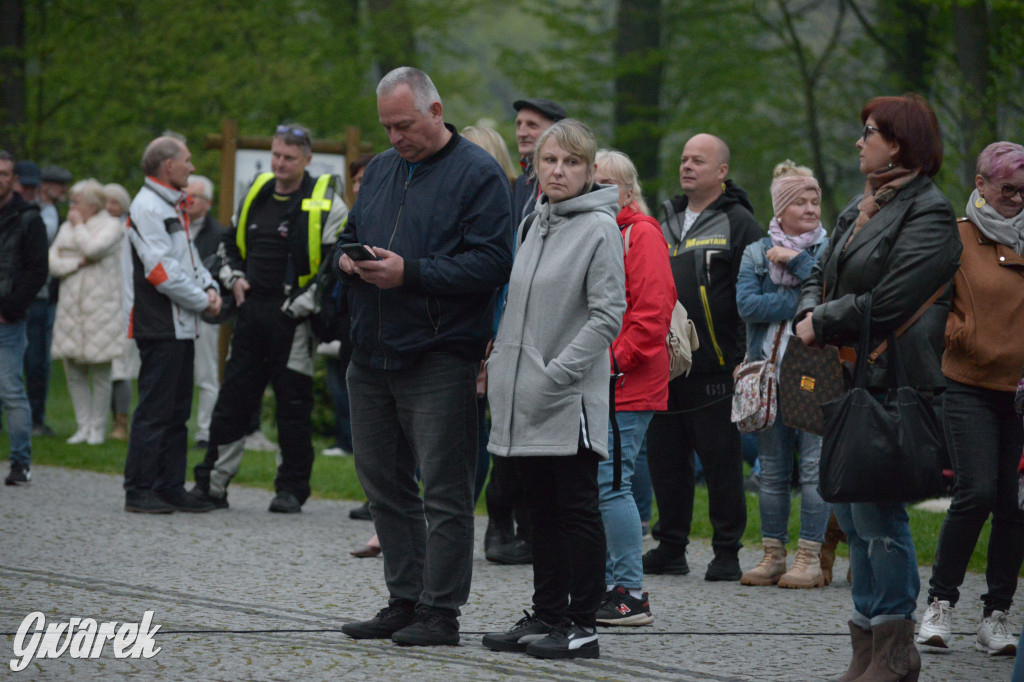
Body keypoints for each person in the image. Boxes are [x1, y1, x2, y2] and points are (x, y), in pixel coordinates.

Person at [337, 67, 513, 647]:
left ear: (436, 112)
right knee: (383, 485)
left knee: (444, 490)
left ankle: (441, 612)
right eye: (386, 127)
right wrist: (346, 260)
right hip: (372, 351)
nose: (394, 138)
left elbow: (492, 265)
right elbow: (350, 233)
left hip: (439, 354)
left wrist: (407, 273)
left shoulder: (479, 174)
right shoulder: (383, 170)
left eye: (404, 125)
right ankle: (403, 600)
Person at [794, 94, 961, 681]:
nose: (859, 141)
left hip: (893, 383)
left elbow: (893, 299)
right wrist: (811, 310)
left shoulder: (931, 213)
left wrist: (826, 319)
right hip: (845, 378)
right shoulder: (862, 204)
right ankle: (865, 647)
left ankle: (896, 648)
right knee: (850, 510)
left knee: (878, 515)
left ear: (900, 142)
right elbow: (819, 268)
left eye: (869, 131)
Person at [481, 119, 624, 659]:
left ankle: (582, 624)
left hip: (569, 401)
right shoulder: (533, 224)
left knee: (576, 510)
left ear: (589, 171)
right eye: (550, 161)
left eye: (571, 162)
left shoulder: (599, 229)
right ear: (536, 167)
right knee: (538, 510)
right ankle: (547, 614)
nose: (558, 171)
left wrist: (558, 372)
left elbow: (608, 315)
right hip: (524, 401)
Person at [192, 125, 347, 513]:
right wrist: (234, 279)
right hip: (250, 313)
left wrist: (301, 304)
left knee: (293, 407)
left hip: (292, 321)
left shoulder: (327, 203)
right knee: (231, 402)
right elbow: (229, 245)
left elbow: (334, 265)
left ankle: (291, 490)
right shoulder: (256, 194)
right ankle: (212, 486)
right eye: (276, 155)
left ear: (307, 160)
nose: (279, 163)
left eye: (289, 157)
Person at [915, 141, 1024, 657]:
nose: (1017, 199)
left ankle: (997, 615)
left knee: (1014, 505)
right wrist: (959, 331)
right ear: (981, 185)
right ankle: (939, 604)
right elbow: (931, 307)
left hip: (1020, 392)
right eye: (1009, 189)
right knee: (977, 492)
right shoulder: (957, 238)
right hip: (968, 386)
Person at [643, 133, 761, 580]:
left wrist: (744, 356)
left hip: (717, 367)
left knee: (721, 465)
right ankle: (670, 547)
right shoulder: (666, 218)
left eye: (698, 160)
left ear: (722, 172)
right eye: (683, 159)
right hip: (667, 366)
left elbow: (754, 293)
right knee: (666, 462)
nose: (686, 166)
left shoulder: (741, 223)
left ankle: (726, 552)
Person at [736, 161, 830, 589]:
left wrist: (798, 262)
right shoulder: (756, 252)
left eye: (815, 200)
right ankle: (773, 554)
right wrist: (799, 301)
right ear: (781, 208)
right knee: (771, 470)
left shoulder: (830, 250)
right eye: (800, 201)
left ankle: (809, 557)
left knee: (812, 468)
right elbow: (747, 307)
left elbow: (829, 299)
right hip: (767, 372)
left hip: (815, 371)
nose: (811, 208)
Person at [591, 149, 674, 626]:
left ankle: (629, 593)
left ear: (626, 191)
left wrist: (609, 364)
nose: (596, 189)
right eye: (592, 181)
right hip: (604, 380)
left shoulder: (639, 232)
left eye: (606, 183)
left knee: (612, 485)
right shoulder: (603, 231)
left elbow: (650, 316)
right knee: (602, 485)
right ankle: (608, 585)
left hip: (626, 382)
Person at [482, 98, 567, 566]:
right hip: (510, 322)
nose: (522, 131)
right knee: (507, 432)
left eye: (533, 125)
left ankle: (536, 533)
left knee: (542, 438)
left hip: (550, 328)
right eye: (517, 124)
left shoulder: (566, 189)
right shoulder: (518, 187)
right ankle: (500, 527)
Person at [123, 136, 222, 514]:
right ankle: (139, 489)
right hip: (159, 323)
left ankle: (169, 486)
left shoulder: (172, 205)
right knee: (155, 410)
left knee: (178, 410)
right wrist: (204, 302)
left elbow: (189, 261)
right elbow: (161, 271)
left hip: (182, 323)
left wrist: (210, 288)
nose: (192, 167)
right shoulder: (148, 206)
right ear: (167, 166)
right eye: (187, 160)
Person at [460, 124, 518, 504]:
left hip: (487, 334)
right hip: (464, 329)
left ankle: (460, 510)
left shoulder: (507, 211)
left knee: (473, 427)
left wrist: (494, 336)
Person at [48, 179, 124, 445]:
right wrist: (78, 261)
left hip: (100, 309)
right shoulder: (66, 226)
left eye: (76, 202)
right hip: (71, 309)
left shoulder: (112, 226)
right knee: (74, 371)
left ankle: (97, 429)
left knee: (101, 373)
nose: (71, 207)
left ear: (92, 206)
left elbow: (95, 248)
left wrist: (80, 230)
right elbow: (53, 264)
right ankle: (82, 427)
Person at [0, 151, 48, 485]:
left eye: (3, 174)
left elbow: (36, 271)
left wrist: (9, 309)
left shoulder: (29, 218)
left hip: (8, 317)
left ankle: (20, 462)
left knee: (10, 389)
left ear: (13, 179)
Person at [24, 164, 72, 437]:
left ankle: (36, 418)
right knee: (32, 358)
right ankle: (32, 418)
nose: (63, 190)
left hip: (44, 295)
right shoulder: (39, 214)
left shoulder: (53, 213)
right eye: (58, 185)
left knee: (38, 360)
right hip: (34, 295)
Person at [183, 175, 228, 450]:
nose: (188, 200)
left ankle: (206, 430)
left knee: (206, 373)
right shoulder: (174, 226)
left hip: (206, 312)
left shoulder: (219, 233)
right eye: (185, 194)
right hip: (176, 310)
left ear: (208, 202)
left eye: (195, 196)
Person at [104, 182, 139, 441]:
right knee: (105, 366)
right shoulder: (97, 230)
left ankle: (121, 422)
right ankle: (102, 421)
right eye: (104, 202)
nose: (108, 208)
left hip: (124, 305)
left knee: (121, 367)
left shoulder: (127, 230)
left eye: (114, 202)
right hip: (101, 305)